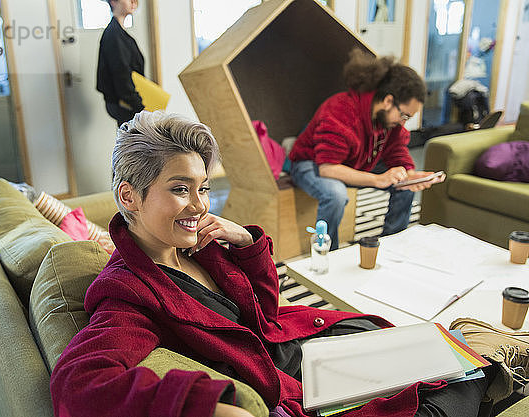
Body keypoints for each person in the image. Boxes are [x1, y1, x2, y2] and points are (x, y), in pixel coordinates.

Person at [50, 111, 526, 417]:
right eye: (179, 189)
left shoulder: (196, 245)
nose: (198, 205)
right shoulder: (128, 291)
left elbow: (266, 312)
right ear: (128, 196)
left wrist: (245, 241)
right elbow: (77, 383)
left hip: (303, 346)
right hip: (295, 382)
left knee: (435, 349)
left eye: (202, 188)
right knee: (456, 386)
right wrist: (205, 404)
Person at [289, 49, 445, 250]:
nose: (403, 122)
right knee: (336, 195)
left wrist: (411, 174)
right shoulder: (340, 110)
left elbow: (396, 150)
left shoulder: (387, 120)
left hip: (350, 163)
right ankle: (329, 253)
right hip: (310, 164)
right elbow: (328, 169)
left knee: (404, 184)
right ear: (388, 101)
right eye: (404, 115)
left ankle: (392, 248)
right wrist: (377, 179)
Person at [97, 0, 145, 127]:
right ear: (113, 2)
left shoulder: (119, 33)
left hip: (128, 101)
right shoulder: (113, 35)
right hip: (125, 103)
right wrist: (140, 106)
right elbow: (121, 75)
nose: (134, 2)